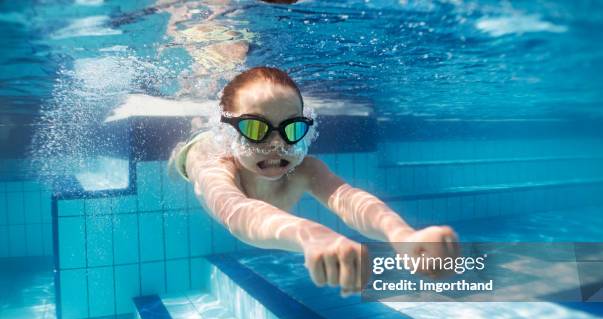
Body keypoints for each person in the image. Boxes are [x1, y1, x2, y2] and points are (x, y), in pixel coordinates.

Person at [173, 66, 459, 296]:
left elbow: (347, 199)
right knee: (181, 160)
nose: (276, 144)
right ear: (232, 130)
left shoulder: (304, 169)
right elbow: (236, 212)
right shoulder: (216, 169)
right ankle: (197, 133)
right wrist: (313, 236)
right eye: (255, 128)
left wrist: (403, 236)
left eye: (291, 129)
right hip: (196, 152)